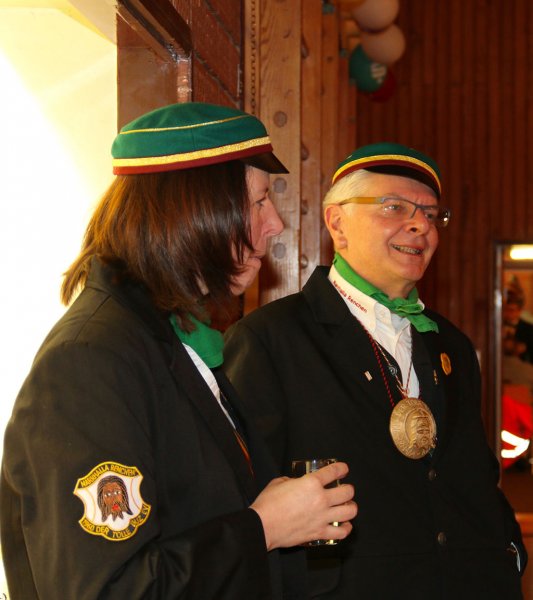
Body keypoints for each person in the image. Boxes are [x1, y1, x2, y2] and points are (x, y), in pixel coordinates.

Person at [0, 102, 357, 599]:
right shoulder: (89, 362)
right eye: (258, 201)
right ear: (193, 211)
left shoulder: (173, 338)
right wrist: (262, 528)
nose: (275, 223)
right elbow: (108, 590)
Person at [224, 142, 528, 599]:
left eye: (431, 214)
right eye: (394, 207)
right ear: (337, 223)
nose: (420, 225)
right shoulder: (269, 340)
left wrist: (509, 554)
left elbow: (475, 477)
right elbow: (244, 504)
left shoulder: (452, 345)